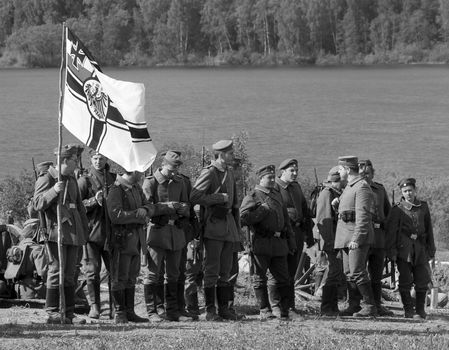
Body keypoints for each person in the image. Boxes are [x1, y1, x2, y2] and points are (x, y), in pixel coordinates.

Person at [33, 144, 88, 324]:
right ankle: (53, 312)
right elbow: (38, 204)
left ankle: (68, 312)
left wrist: (84, 231)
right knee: (56, 271)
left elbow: (79, 207)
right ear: (64, 160)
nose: (76, 163)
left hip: (73, 231)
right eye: (73, 160)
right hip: (54, 231)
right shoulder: (47, 178)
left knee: (70, 272)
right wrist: (54, 190)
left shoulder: (71, 179)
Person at [190, 139, 241, 321]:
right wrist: (218, 197)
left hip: (228, 225)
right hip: (213, 225)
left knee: (226, 270)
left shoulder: (229, 171)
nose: (233, 155)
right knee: (212, 269)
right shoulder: (210, 172)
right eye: (230, 153)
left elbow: (235, 203)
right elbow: (194, 196)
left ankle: (224, 309)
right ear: (220, 154)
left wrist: (238, 230)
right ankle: (211, 310)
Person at [240, 165, 296, 321]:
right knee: (259, 278)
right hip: (261, 243)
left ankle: (284, 311)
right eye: (269, 178)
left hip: (279, 244)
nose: (272, 180)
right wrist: (261, 211)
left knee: (283, 278)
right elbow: (243, 219)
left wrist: (290, 242)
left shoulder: (276, 195)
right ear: (261, 179)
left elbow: (286, 221)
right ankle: (265, 309)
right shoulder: (253, 196)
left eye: (273, 177)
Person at [142, 151, 192, 322]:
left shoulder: (180, 182)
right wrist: (167, 207)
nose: (174, 173)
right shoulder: (150, 182)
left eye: (176, 170)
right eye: (171, 170)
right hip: (157, 232)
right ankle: (152, 311)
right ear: (163, 165)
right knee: (152, 273)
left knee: (173, 274)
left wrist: (184, 209)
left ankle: (173, 311)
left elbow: (187, 203)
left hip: (176, 233)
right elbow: (146, 208)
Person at [107, 170, 156, 324]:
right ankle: (120, 312)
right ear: (132, 170)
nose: (142, 173)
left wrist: (146, 210)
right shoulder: (116, 189)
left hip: (136, 238)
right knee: (120, 276)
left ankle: (129, 311)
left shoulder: (135, 188)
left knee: (131, 277)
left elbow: (150, 206)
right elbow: (115, 215)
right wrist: (138, 214)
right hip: (121, 239)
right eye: (139, 170)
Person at [386, 178, 436, 319]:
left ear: (415, 190)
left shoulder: (423, 207)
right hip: (404, 250)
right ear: (402, 192)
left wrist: (431, 249)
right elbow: (391, 232)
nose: (408, 193)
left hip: (421, 249)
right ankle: (408, 310)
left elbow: (429, 229)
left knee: (422, 280)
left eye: (410, 190)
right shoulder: (397, 209)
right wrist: (392, 251)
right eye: (405, 191)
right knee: (405, 280)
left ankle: (420, 310)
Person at [334, 156, 377, 317]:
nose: (338, 172)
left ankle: (370, 306)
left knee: (358, 271)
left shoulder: (362, 187)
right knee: (349, 272)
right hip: (346, 236)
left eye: (340, 169)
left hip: (355, 238)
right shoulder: (350, 187)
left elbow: (363, 216)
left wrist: (357, 239)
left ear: (347, 169)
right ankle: (354, 305)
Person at [78, 150, 116, 319]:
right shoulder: (84, 180)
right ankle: (95, 307)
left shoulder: (114, 179)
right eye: (95, 158)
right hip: (91, 233)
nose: (98, 161)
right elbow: (77, 206)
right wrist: (94, 200)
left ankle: (116, 308)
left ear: (106, 158)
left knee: (114, 272)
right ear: (90, 159)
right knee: (92, 272)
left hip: (111, 233)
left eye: (101, 158)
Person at [274, 158, 314, 315]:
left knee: (292, 272)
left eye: (296, 170)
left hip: (296, 233)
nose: (295, 173)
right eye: (292, 170)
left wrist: (308, 236)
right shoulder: (276, 187)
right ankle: (277, 305)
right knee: (280, 271)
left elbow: (305, 211)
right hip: (282, 235)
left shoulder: (296, 187)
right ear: (283, 171)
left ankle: (289, 306)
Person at [358, 159, 393, 317]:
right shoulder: (355, 189)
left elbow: (388, 211)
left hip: (378, 237)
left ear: (373, 174)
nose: (365, 176)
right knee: (358, 272)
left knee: (376, 275)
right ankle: (359, 304)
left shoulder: (379, 189)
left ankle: (377, 304)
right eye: (362, 173)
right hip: (362, 235)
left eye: (368, 173)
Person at [315, 167, 343, 316]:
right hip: (331, 240)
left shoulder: (335, 193)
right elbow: (323, 219)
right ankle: (326, 307)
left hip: (337, 239)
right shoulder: (327, 194)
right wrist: (329, 242)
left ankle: (332, 306)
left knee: (336, 272)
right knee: (333, 271)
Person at [4, 218, 48, 299]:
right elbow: (43, 272)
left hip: (17, 290)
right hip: (34, 291)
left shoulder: (15, 248)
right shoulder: (37, 249)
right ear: (36, 230)